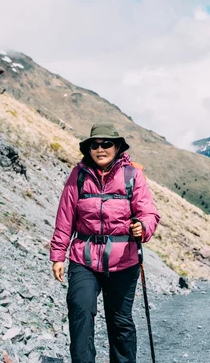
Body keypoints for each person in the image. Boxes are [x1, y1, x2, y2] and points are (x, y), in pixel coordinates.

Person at [50, 123, 160, 363]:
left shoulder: (132, 175)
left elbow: (149, 213)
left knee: (120, 321)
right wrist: (58, 255)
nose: (100, 149)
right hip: (83, 259)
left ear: (117, 147)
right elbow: (65, 217)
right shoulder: (77, 176)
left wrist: (143, 226)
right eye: (94, 144)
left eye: (106, 143)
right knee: (80, 310)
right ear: (88, 148)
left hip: (124, 260)